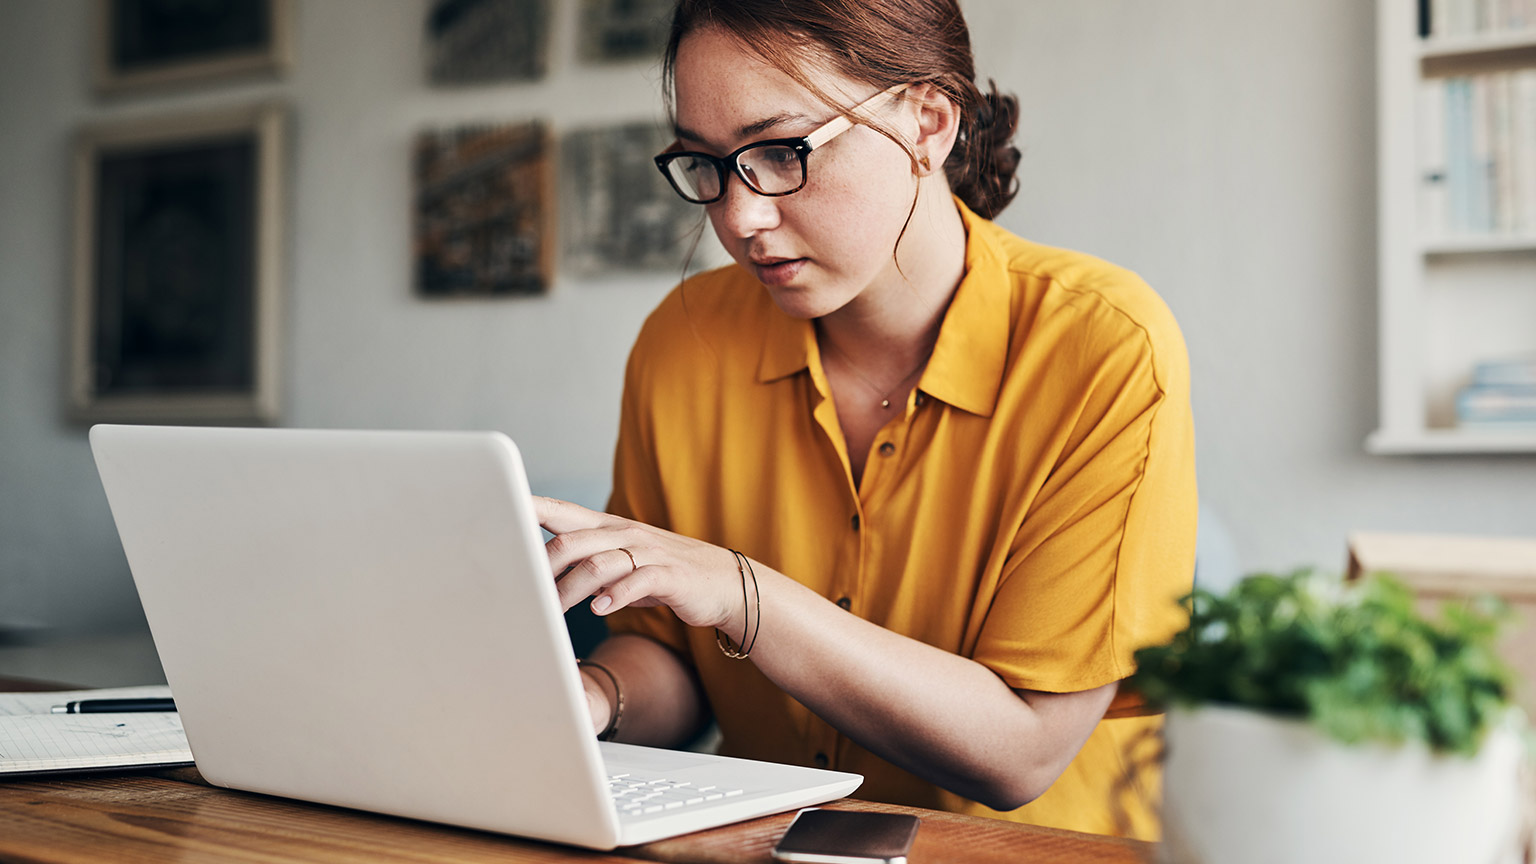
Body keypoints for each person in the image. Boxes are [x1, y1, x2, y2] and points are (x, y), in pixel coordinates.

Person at [535, 0, 1197, 840]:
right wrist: (591, 701)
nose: (740, 220)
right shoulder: (685, 339)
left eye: (781, 152)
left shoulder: (1105, 344)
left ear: (926, 122)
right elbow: (668, 651)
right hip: (759, 848)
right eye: (705, 164)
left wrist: (743, 593)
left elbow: (1021, 754)